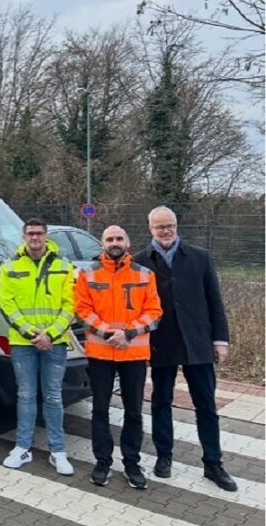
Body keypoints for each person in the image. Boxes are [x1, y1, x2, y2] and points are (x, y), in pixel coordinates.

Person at [135, 206, 237, 491]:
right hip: (161, 343)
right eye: (159, 227)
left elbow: (214, 301)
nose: (165, 231)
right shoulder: (140, 262)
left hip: (197, 342)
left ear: (176, 226)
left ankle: (213, 463)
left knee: (206, 405)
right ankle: (164, 456)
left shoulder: (200, 258)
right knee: (160, 402)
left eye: (169, 226)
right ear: (150, 228)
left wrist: (220, 340)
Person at [75, 225, 162, 490]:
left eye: (119, 238)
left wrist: (128, 333)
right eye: (109, 239)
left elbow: (154, 312)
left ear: (128, 242)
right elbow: (81, 310)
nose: (114, 242)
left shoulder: (145, 274)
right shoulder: (87, 273)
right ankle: (102, 462)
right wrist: (107, 332)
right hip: (100, 353)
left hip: (133, 352)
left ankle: (132, 463)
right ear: (102, 244)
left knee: (133, 411)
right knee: (100, 409)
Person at [0, 218, 76, 475]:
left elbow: (71, 305)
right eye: (30, 234)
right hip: (23, 342)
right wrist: (31, 333)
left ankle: (58, 450)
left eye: (39, 233)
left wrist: (50, 335)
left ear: (46, 236)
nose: (35, 238)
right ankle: (22, 447)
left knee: (53, 396)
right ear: (23, 236)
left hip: (54, 343)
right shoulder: (10, 266)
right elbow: (7, 305)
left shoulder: (65, 267)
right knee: (26, 395)